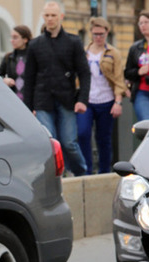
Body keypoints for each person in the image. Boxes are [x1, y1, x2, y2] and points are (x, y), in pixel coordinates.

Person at [23, 1, 91, 177]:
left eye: (53, 15)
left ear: (61, 16)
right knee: (49, 142)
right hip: (42, 100)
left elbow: (84, 73)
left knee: (69, 143)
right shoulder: (35, 45)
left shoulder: (73, 42)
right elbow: (28, 78)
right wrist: (28, 107)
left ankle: (80, 172)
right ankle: (55, 177)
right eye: (47, 15)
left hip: (67, 99)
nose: (50, 19)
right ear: (43, 17)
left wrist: (82, 100)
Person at [75, 17, 127, 174]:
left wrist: (118, 102)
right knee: (82, 134)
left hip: (106, 101)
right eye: (95, 34)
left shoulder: (113, 53)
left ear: (107, 33)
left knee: (103, 139)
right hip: (87, 100)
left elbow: (119, 79)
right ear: (91, 33)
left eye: (102, 34)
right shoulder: (83, 53)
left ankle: (104, 171)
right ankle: (87, 170)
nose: (98, 37)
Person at [0, 25, 32, 101]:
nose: (12, 40)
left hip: (30, 102)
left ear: (25, 39)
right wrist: (4, 80)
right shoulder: (8, 57)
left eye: (15, 37)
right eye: (11, 37)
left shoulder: (33, 57)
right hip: (13, 100)